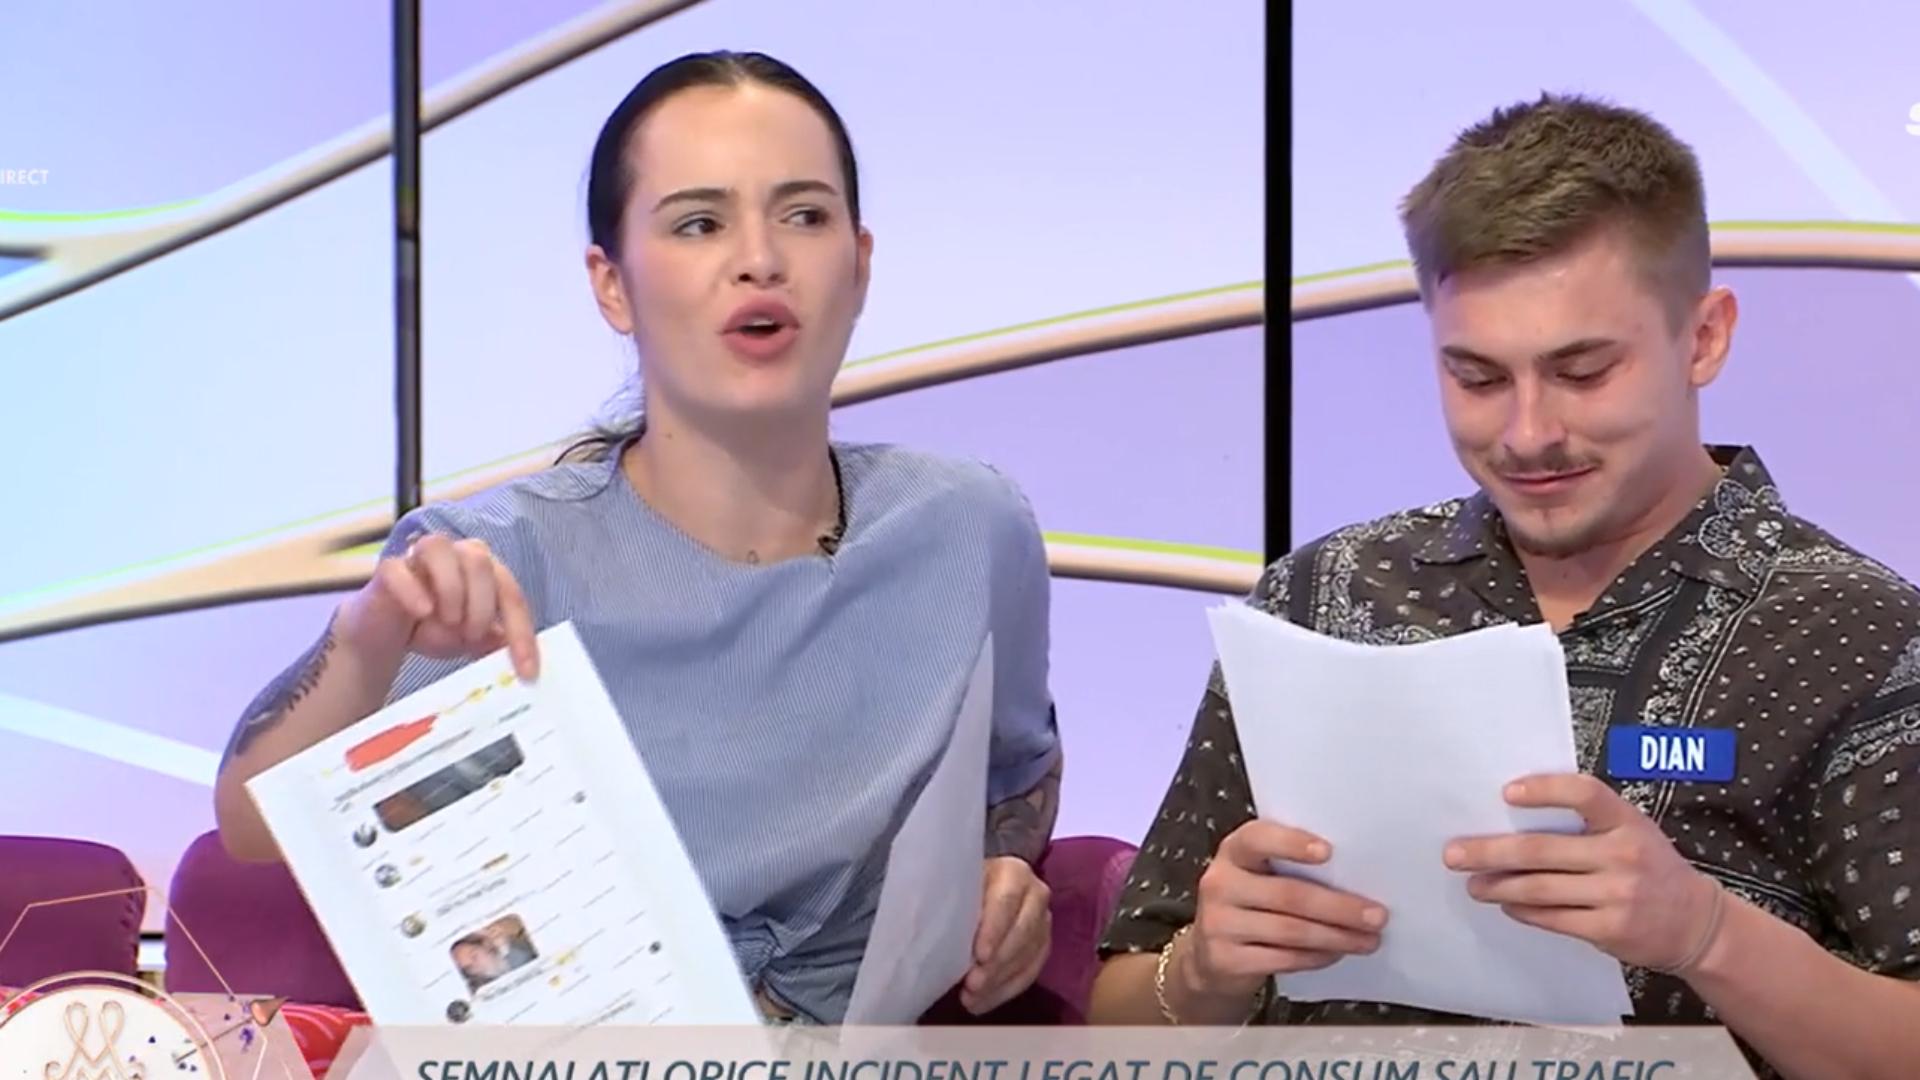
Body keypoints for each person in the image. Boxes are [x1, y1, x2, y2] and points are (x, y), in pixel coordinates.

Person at [214, 50, 1064, 1025]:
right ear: (611, 285)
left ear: (860, 264)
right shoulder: (493, 558)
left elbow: (1015, 780)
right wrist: (366, 640)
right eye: (700, 223)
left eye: (804, 215)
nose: (760, 259)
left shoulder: (969, 527)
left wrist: (1005, 875)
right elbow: (249, 822)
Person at [1088, 93, 1920, 1076]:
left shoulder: (1860, 635)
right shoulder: (1321, 597)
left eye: (1583, 371)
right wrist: (1203, 972)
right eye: (1477, 378)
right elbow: (1117, 1025)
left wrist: (1706, 933)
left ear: (1703, 338)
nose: (1527, 434)